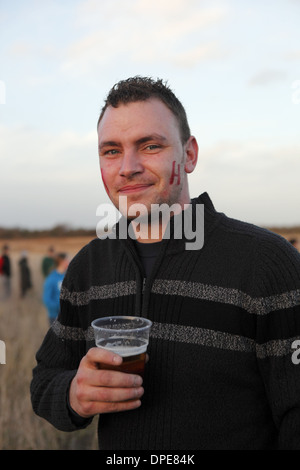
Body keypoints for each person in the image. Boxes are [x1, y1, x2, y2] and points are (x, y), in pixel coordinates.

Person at [30, 76, 300, 450]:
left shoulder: (268, 264)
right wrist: (73, 393)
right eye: (110, 151)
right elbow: (45, 379)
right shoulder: (89, 267)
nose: (127, 167)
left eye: (150, 145)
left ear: (188, 155)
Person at [42, 253, 69, 325]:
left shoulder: (68, 276)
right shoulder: (51, 278)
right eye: (67, 260)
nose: (69, 262)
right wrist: (60, 308)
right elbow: (47, 299)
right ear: (61, 262)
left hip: (67, 316)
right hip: (55, 317)